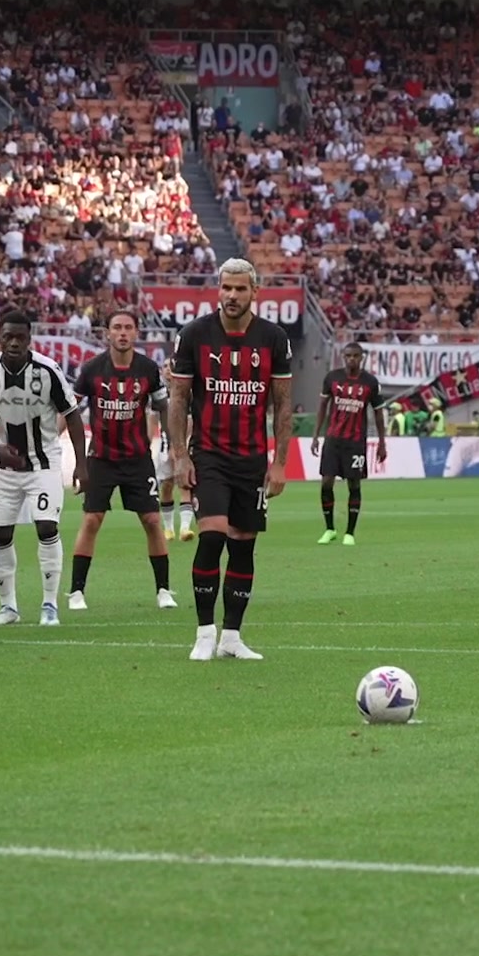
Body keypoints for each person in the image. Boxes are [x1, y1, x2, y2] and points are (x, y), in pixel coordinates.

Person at [169, 257, 293, 661]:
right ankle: (205, 632)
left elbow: (283, 404)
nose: (232, 295)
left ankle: (232, 637)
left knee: (243, 545)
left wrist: (279, 463)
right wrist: (180, 455)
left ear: (255, 292)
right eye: (226, 288)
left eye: (240, 288)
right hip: (209, 455)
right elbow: (178, 399)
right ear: (218, 289)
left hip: (252, 459)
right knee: (212, 535)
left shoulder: (273, 338)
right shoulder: (194, 334)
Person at [0, 309, 88, 626]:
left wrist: (81, 464)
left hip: (43, 464)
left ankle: (49, 605)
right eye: (8, 336)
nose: (14, 343)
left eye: (20, 337)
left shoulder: (47, 371)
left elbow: (72, 415)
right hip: (4, 467)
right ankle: (8, 608)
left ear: (29, 338)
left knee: (47, 527)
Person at [67, 310, 177, 611]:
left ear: (137, 333)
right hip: (101, 458)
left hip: (137, 459)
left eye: (128, 327)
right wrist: (51, 439)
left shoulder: (148, 368)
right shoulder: (91, 369)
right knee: (92, 520)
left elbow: (163, 407)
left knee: (152, 520)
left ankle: (163, 590)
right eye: (117, 327)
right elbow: (71, 410)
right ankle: (76, 592)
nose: (123, 333)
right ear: (107, 333)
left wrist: (174, 445)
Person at [311, 342, 387, 546]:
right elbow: (322, 407)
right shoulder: (332, 378)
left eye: (355, 356)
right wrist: (316, 435)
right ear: (343, 357)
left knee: (354, 484)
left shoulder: (370, 382)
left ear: (361, 358)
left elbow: (379, 414)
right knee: (326, 482)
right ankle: (329, 529)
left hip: (355, 442)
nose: (351, 359)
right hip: (333, 440)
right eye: (348, 356)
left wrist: (382, 443)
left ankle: (350, 533)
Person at [150, 357, 195, 542]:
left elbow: (190, 420)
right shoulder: (158, 395)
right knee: (167, 486)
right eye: (165, 366)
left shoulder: (186, 392)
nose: (168, 369)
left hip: (183, 445)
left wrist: (179, 445)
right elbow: (152, 420)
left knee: (184, 483)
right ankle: (168, 528)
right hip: (163, 445)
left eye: (171, 366)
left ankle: (185, 528)